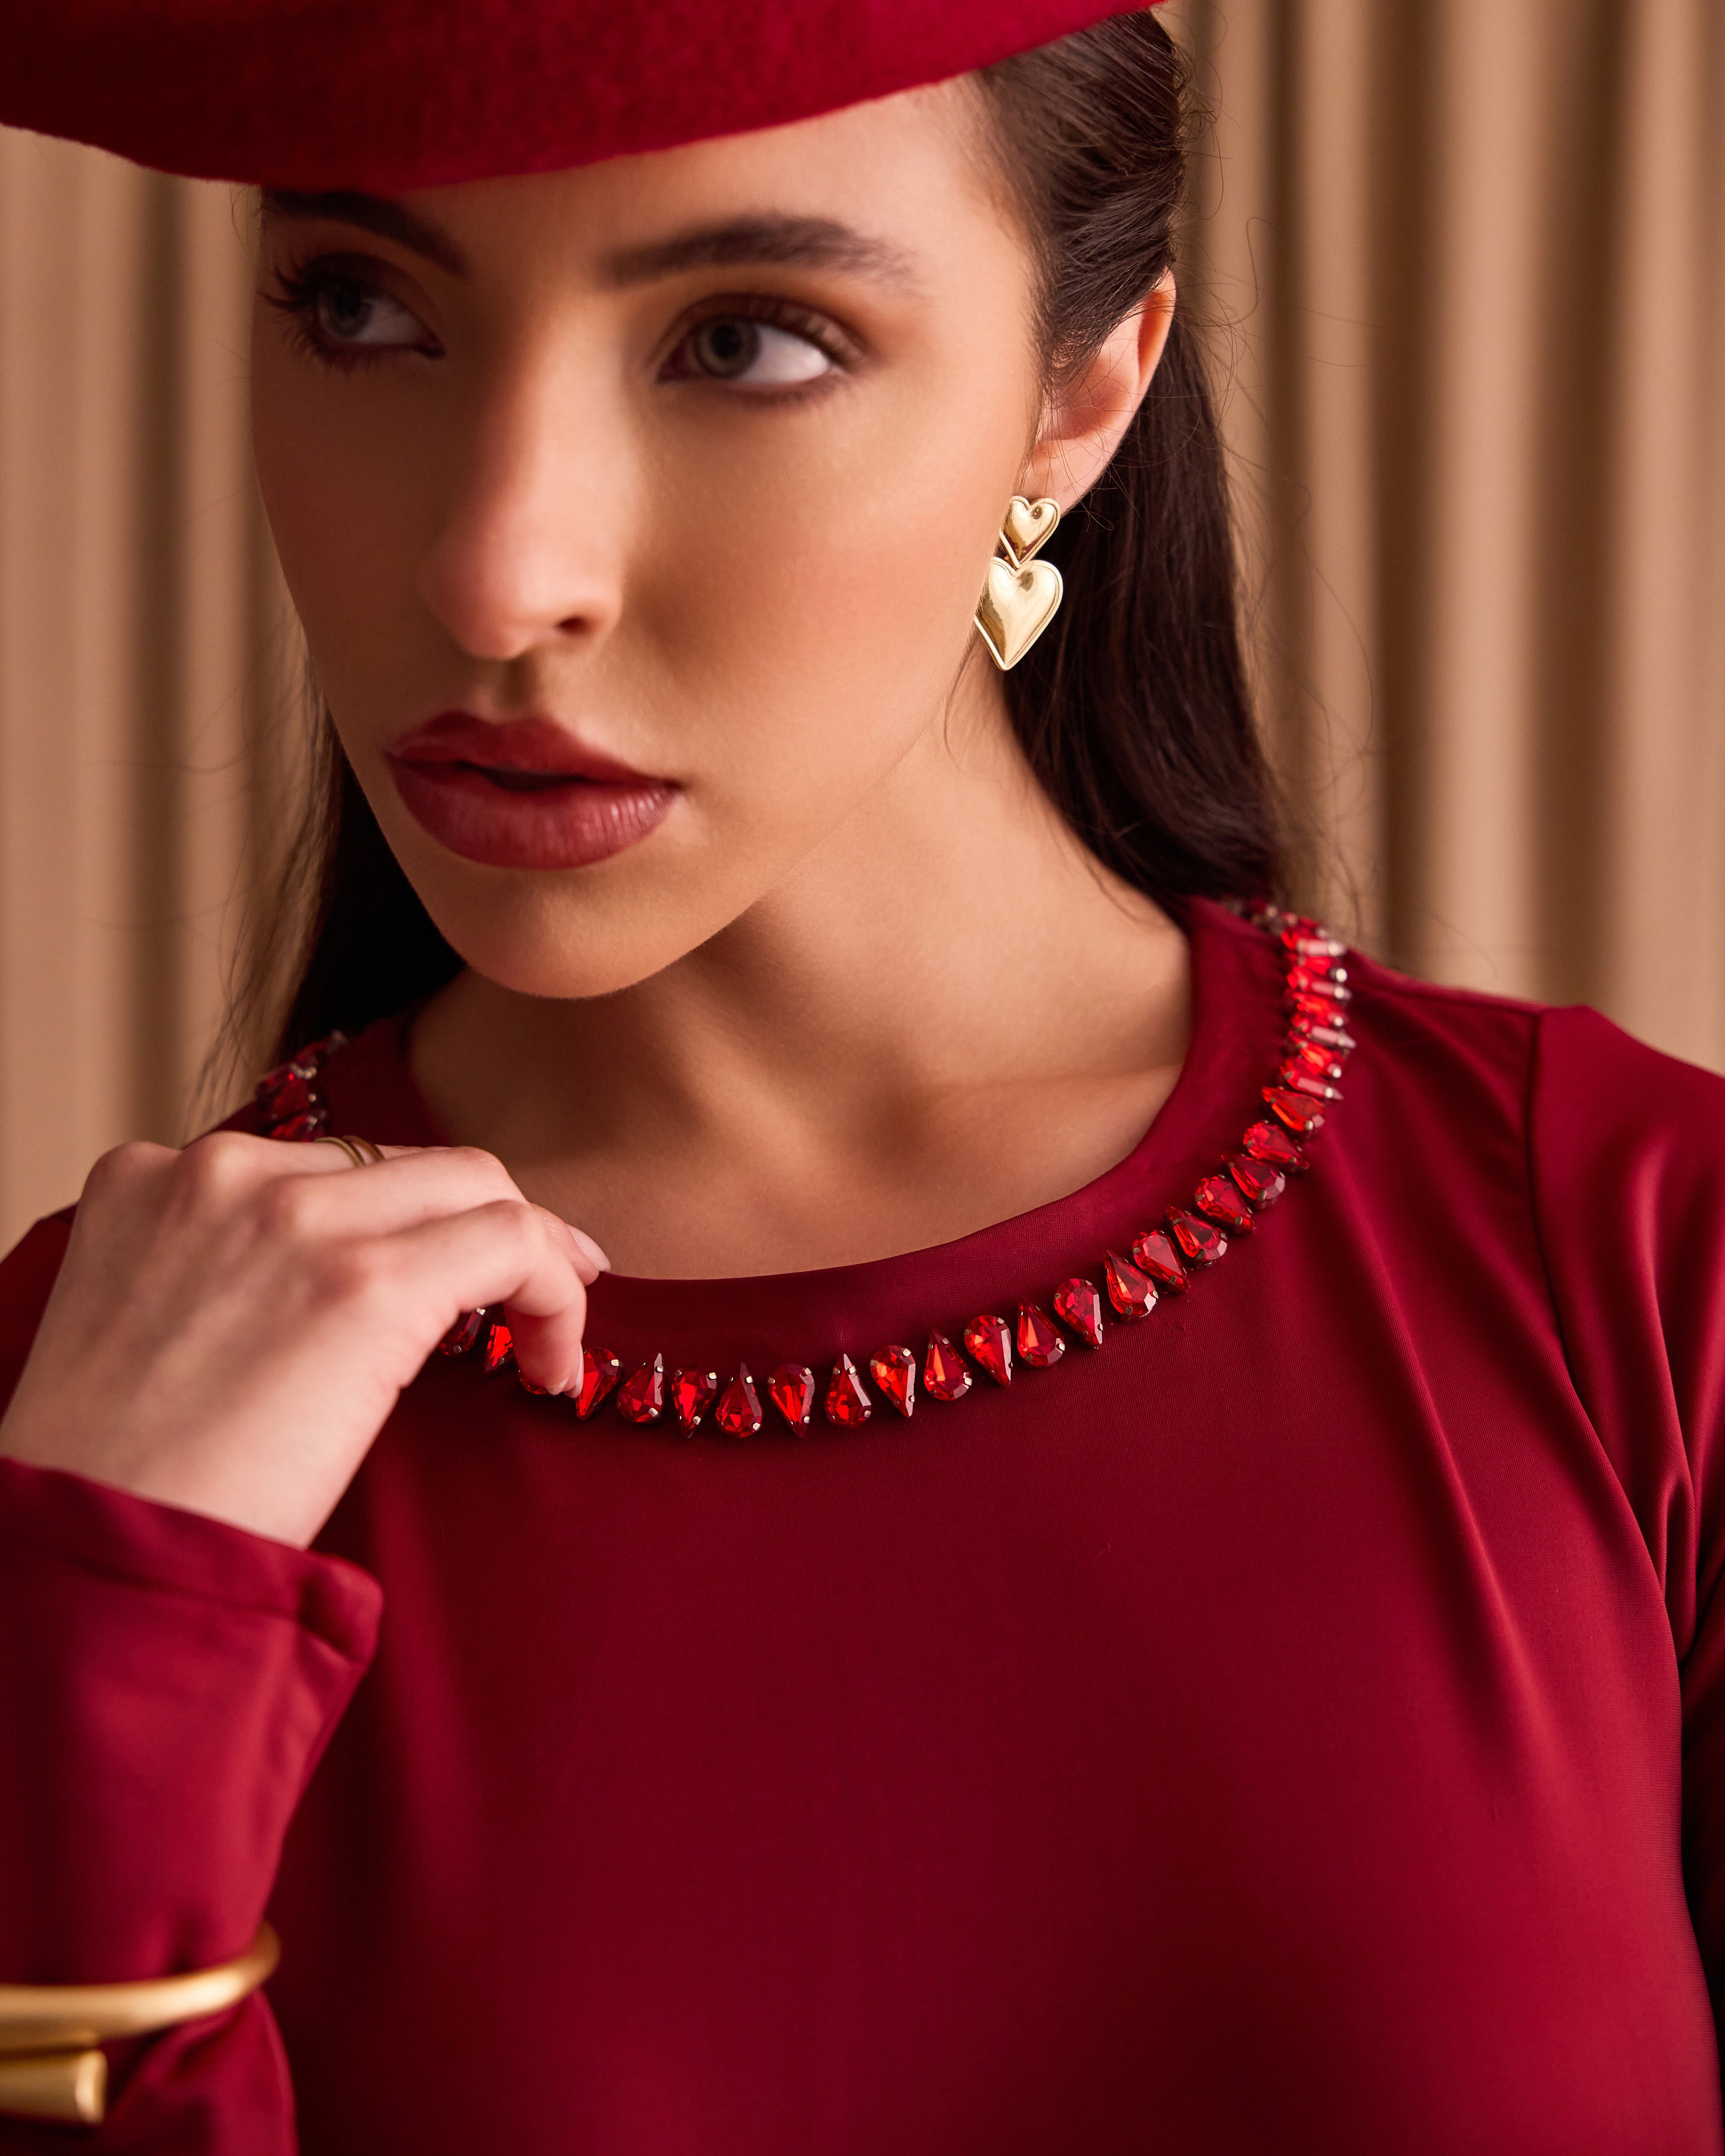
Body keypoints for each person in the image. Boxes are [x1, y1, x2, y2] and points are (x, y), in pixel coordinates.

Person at [1, 2, 1723, 2149]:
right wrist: (97, 1661)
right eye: (360, 306)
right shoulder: (93, 1418)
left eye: (745, 341)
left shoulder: (1639, 1263)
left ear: (1081, 392)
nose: (496, 572)